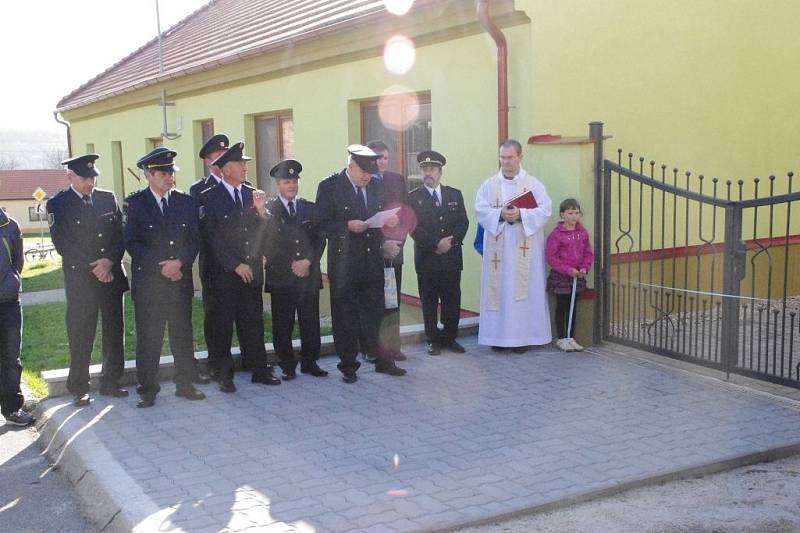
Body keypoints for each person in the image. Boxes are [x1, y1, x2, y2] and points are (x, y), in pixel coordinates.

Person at [123, 148, 206, 408]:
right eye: (163, 173)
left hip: (179, 279)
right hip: (150, 283)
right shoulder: (134, 204)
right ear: (148, 174)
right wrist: (162, 266)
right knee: (150, 337)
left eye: (171, 172)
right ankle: (148, 389)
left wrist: (180, 262)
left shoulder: (185, 202)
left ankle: (185, 384)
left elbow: (195, 238)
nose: (169, 177)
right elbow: (131, 242)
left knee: (182, 334)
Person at [316, 145, 406, 383]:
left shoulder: (376, 186)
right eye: (363, 172)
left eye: (370, 172)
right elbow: (321, 224)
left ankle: (383, 360)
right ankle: (348, 365)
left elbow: (379, 219)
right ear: (351, 166)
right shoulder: (330, 186)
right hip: (345, 263)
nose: (367, 177)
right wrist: (346, 226)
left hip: (372, 261)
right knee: (345, 316)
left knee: (377, 313)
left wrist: (389, 226)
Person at [48, 154, 128, 406]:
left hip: (111, 274)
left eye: (93, 178)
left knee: (114, 332)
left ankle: (111, 381)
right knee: (81, 333)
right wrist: (95, 267)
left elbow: (120, 235)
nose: (89, 184)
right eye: (84, 178)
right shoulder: (58, 204)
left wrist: (109, 261)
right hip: (81, 279)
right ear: (70, 176)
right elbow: (63, 244)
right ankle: (79, 387)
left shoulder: (107, 198)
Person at [200, 142, 280, 392]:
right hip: (224, 273)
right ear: (224, 169)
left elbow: (267, 234)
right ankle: (224, 373)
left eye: (245, 163)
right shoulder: (209, 198)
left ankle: (258, 368)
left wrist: (262, 212)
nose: (245, 167)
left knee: (252, 321)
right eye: (239, 163)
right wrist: (235, 265)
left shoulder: (252, 194)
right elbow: (211, 239)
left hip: (251, 270)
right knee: (222, 324)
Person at [475, 139, 552, 352]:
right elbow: (480, 209)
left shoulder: (533, 184)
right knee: (499, 292)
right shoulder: (489, 185)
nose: (506, 162)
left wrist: (521, 214)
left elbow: (545, 210)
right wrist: (499, 213)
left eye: (510, 157)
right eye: (502, 157)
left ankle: (522, 338)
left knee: (522, 290)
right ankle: (498, 339)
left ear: (520, 157)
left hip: (523, 246)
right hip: (498, 249)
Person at [263, 159, 328, 380]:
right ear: (278, 185)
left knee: (310, 322)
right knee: (283, 324)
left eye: (294, 181)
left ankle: (310, 362)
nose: (291, 185)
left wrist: (307, 262)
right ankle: (287, 365)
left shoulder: (309, 208)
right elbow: (268, 243)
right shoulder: (269, 210)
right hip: (282, 276)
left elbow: (319, 240)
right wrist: (292, 264)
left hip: (307, 275)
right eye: (286, 181)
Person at [408, 150, 469, 355]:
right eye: (425, 169)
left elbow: (463, 222)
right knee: (429, 301)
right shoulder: (413, 198)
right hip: (428, 259)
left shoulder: (454, 194)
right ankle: (433, 340)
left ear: (440, 172)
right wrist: (436, 244)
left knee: (452, 299)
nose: (428, 173)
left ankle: (450, 338)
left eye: (432, 169)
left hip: (451, 258)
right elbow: (413, 228)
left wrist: (451, 242)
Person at [365, 140, 414, 363]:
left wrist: (397, 243)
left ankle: (393, 347)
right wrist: (381, 246)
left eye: (384, 157)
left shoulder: (397, 179)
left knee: (393, 301)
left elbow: (406, 214)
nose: (381, 161)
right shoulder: (363, 181)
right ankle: (370, 349)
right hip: (372, 252)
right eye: (377, 157)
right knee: (373, 302)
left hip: (395, 250)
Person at [190, 134, 230, 383]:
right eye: (218, 160)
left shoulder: (241, 185)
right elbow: (201, 230)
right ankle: (217, 363)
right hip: (214, 264)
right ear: (208, 163)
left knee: (243, 315)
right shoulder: (199, 190)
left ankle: (248, 360)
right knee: (216, 316)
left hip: (240, 264)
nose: (223, 164)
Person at [0, 209, 34, 426]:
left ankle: (13, 408)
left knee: (11, 359)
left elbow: (18, 260)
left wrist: (12, 281)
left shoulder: (10, 225)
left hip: (8, 302)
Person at [546, 198, 593, 352]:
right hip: (562, 277)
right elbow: (551, 257)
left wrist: (584, 268)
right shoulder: (556, 235)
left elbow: (588, 253)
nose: (574, 216)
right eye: (570, 213)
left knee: (573, 307)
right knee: (562, 306)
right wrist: (568, 270)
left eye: (577, 213)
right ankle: (561, 338)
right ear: (562, 214)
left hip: (577, 276)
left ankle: (571, 337)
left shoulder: (582, 233)